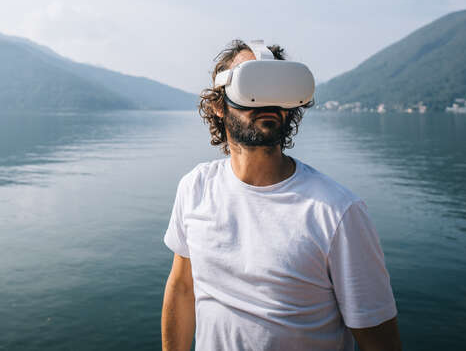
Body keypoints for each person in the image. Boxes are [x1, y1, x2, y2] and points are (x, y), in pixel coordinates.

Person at [161, 40, 401, 351]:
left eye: (279, 88)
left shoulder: (338, 212)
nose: (268, 101)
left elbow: (379, 341)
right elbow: (182, 289)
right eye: (253, 85)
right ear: (219, 105)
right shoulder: (195, 188)